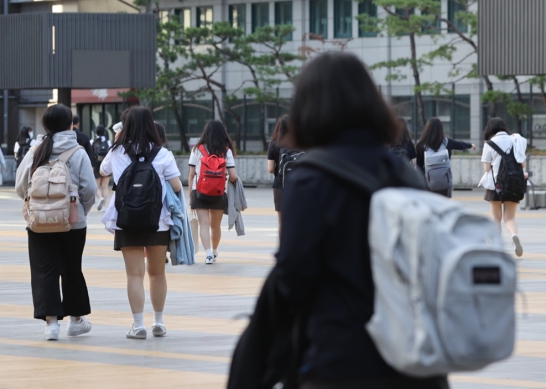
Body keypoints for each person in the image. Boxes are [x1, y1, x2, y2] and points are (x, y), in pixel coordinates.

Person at [228, 52, 449, 389]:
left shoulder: (312, 179)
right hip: (414, 359)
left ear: (308, 108)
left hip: (342, 359)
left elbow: (293, 277)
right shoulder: (404, 174)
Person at [99, 106, 182, 340]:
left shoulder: (116, 152)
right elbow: (176, 186)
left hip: (126, 220)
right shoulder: (163, 153)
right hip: (158, 222)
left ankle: (138, 325)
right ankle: (159, 322)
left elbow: (103, 170)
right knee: (157, 273)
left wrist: (116, 142)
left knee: (134, 275)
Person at [16, 104, 97, 341]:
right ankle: (76, 320)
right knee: (72, 268)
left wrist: (37, 205)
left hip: (39, 222)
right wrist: (81, 210)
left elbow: (21, 186)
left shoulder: (35, 151)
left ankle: (51, 325)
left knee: (44, 270)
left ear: (45, 125)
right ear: (70, 124)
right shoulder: (78, 151)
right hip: (73, 221)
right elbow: (90, 189)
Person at [188, 120, 238, 265]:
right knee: (215, 226)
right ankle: (215, 251)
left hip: (199, 191)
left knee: (203, 224)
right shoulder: (226, 151)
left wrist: (190, 195)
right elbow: (233, 176)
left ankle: (208, 254)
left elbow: (191, 174)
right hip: (218, 192)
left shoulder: (198, 149)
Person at [479, 117, 528, 257]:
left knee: (496, 218)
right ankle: (514, 236)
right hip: (513, 184)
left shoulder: (489, 144)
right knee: (510, 218)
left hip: (495, 186)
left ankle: (496, 247)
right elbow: (522, 164)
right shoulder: (515, 141)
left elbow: (487, 168)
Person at [416, 117, 476, 197]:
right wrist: (470, 145)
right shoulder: (447, 142)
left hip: (427, 183)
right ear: (441, 129)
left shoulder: (421, 145)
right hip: (444, 182)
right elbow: (459, 144)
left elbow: (419, 167)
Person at [267, 115, 292, 224]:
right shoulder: (300, 143)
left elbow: (271, 169)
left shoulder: (274, 144)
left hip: (279, 185)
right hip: (299, 184)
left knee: (282, 222)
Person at [92, 125, 112, 211]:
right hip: (106, 166)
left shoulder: (92, 141)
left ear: (95, 133)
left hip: (96, 165)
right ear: (104, 132)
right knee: (105, 186)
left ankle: (100, 198)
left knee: (97, 186)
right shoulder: (108, 142)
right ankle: (104, 206)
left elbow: (91, 155)